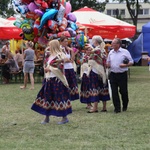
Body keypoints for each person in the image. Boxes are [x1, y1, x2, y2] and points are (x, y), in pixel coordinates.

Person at [31, 39, 72, 124]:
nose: (48, 47)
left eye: (50, 45)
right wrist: (46, 68)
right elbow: (46, 65)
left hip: (57, 80)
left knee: (59, 98)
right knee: (47, 98)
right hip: (49, 79)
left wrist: (48, 68)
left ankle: (64, 117)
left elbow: (60, 68)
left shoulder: (60, 55)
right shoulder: (49, 56)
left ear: (53, 46)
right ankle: (46, 117)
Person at [106, 38, 133, 113]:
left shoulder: (125, 52)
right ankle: (117, 108)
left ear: (118, 44)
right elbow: (108, 62)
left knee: (123, 91)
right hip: (113, 74)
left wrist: (125, 65)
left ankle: (125, 104)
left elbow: (131, 61)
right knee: (114, 92)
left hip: (122, 74)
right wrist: (107, 65)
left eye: (113, 43)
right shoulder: (111, 52)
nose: (112, 44)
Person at [86, 35, 110, 113]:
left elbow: (93, 53)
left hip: (95, 71)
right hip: (102, 71)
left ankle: (95, 107)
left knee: (95, 88)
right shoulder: (103, 50)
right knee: (103, 88)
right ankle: (104, 107)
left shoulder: (98, 49)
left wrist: (90, 48)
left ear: (95, 42)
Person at [60, 36, 79, 101]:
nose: (66, 43)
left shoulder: (68, 49)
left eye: (66, 41)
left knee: (71, 84)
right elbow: (63, 59)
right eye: (65, 41)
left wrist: (72, 51)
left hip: (70, 67)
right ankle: (64, 98)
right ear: (61, 42)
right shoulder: (60, 49)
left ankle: (69, 98)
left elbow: (72, 59)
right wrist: (68, 60)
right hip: (64, 68)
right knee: (65, 83)